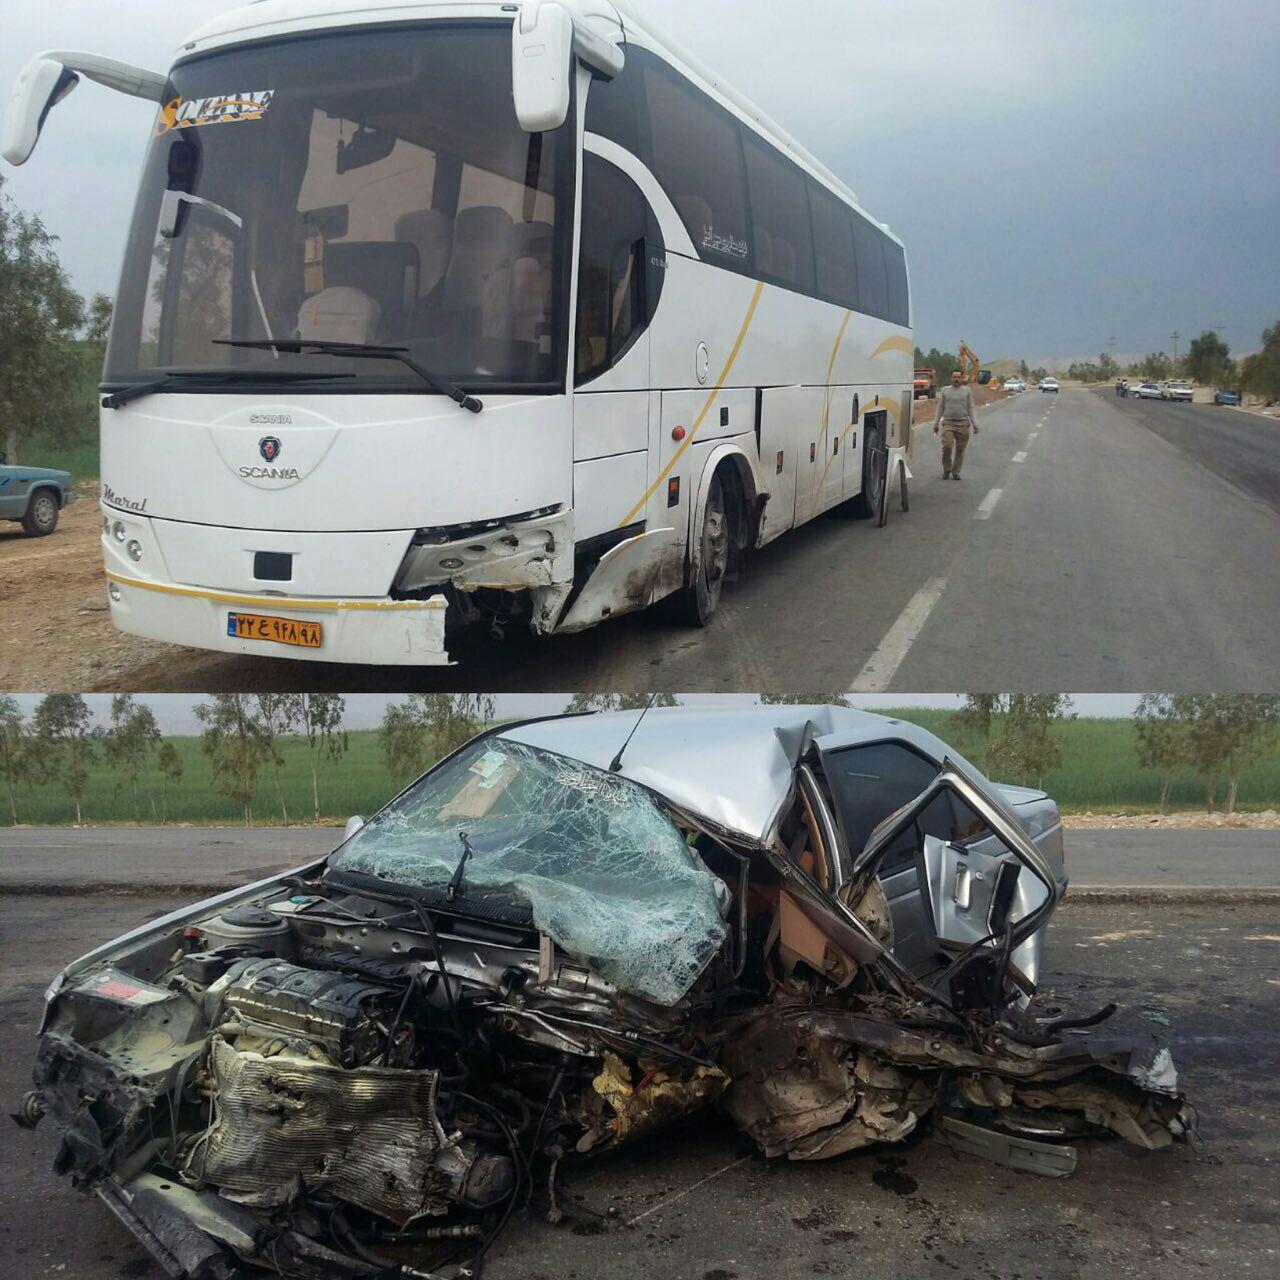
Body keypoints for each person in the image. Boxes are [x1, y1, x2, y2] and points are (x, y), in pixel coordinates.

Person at [933, 370, 979, 480]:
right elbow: (940, 407)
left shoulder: (967, 391)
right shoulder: (945, 390)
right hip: (948, 423)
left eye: (958, 377)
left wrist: (975, 424)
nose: (956, 379)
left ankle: (956, 472)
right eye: (954, 377)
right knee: (947, 446)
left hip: (963, 423)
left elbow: (971, 407)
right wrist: (936, 423)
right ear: (951, 378)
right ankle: (946, 469)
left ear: (962, 378)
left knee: (960, 449)